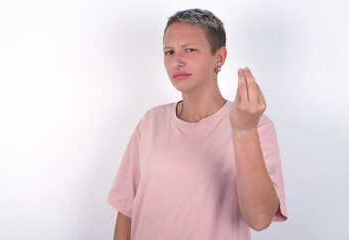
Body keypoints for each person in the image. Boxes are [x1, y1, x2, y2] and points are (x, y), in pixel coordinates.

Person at [107, 8, 287, 240]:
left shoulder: (257, 127)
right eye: (169, 52)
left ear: (219, 57)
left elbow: (260, 219)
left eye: (189, 50)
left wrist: (244, 132)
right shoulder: (151, 122)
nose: (177, 61)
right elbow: (126, 209)